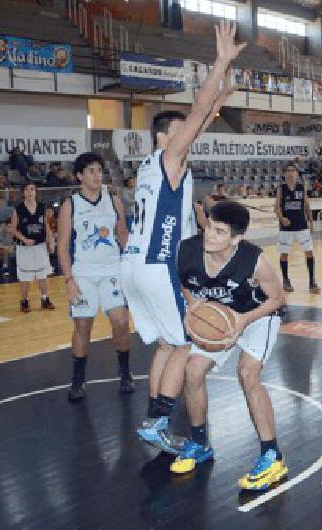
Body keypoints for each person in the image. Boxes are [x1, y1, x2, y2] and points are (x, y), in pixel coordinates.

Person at [122, 20, 246, 455]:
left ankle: (152, 417)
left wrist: (219, 103)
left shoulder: (152, 166)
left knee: (164, 343)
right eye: (183, 131)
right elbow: (193, 117)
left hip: (133, 265)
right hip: (158, 264)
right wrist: (220, 65)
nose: (190, 136)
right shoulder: (168, 156)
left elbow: (198, 122)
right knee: (189, 338)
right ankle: (159, 419)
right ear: (164, 136)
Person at [170, 201, 287, 491]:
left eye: (219, 232)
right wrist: (195, 306)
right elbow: (187, 284)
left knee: (248, 374)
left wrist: (243, 320)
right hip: (220, 315)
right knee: (193, 371)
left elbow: (277, 298)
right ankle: (199, 444)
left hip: (258, 315)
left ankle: (272, 455)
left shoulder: (255, 260)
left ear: (236, 239)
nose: (209, 235)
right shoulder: (187, 251)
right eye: (209, 226)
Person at [58, 152, 134, 401]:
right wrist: (69, 280)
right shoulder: (70, 205)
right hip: (83, 274)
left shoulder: (114, 201)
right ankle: (78, 380)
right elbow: (62, 246)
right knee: (83, 325)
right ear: (79, 176)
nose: (97, 175)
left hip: (112, 270)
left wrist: (133, 267)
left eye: (99, 170)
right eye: (90, 170)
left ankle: (125, 373)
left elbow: (123, 235)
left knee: (121, 322)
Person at [10, 181, 55, 312]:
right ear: (23, 193)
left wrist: (50, 240)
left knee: (43, 275)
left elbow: (46, 226)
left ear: (35, 192)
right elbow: (12, 229)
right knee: (25, 277)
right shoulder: (17, 209)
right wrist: (24, 239)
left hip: (40, 246)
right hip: (24, 248)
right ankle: (24, 301)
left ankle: (45, 299)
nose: (30, 192)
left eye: (32, 189)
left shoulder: (42, 207)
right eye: (27, 190)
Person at [274, 163, 319, 294]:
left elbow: (307, 206)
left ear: (297, 173)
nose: (290, 173)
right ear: (284, 174)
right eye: (288, 171)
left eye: (293, 170)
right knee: (284, 254)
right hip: (286, 228)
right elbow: (276, 208)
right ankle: (286, 280)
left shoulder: (301, 187)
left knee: (309, 252)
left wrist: (311, 223)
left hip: (301, 226)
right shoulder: (281, 189)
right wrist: (282, 218)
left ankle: (312, 281)